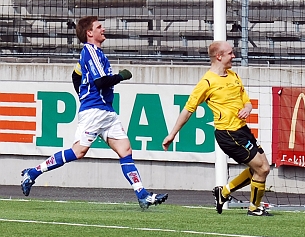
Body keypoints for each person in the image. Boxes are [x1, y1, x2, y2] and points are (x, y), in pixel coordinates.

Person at [20, 16, 168, 210]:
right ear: (90, 33)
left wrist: (83, 95)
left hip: (106, 111)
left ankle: (142, 195)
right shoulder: (91, 52)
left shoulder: (94, 53)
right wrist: (121, 76)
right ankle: (33, 172)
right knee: (78, 151)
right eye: (99, 27)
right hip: (95, 111)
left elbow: (76, 75)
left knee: (125, 151)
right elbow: (100, 82)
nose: (103, 29)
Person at [162, 41, 272, 217]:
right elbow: (188, 110)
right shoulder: (207, 82)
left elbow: (247, 101)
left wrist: (248, 108)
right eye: (230, 53)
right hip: (228, 134)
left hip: (243, 130)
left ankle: (225, 192)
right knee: (263, 168)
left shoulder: (233, 76)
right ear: (219, 56)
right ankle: (254, 208)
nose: (234, 56)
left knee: (260, 168)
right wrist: (172, 134)